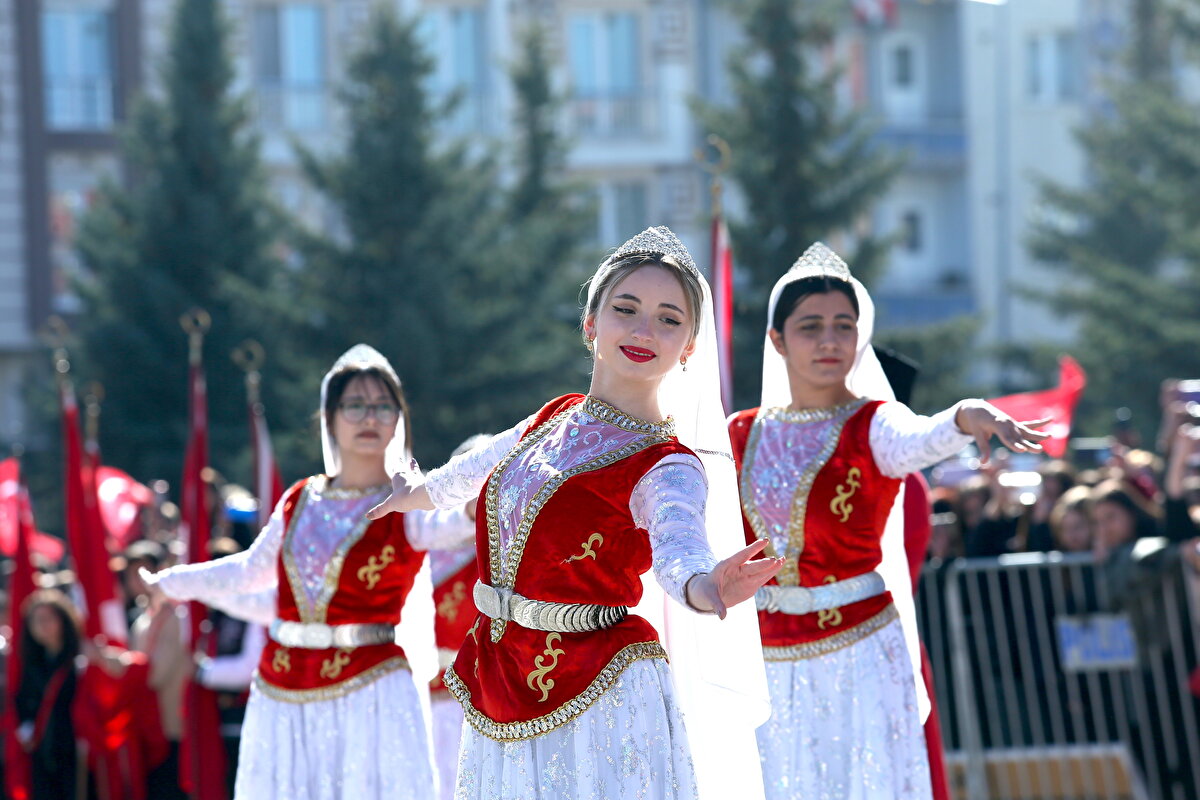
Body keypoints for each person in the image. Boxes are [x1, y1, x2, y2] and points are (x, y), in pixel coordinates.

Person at [368, 226, 780, 800]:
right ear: (591, 324)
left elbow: (679, 542)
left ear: (689, 346)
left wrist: (705, 585)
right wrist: (414, 490)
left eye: (668, 318)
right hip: (500, 667)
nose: (643, 330)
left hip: (601, 689)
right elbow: (471, 471)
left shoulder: (668, 466)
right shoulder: (549, 418)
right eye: (626, 308)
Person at [727, 242, 1049, 799]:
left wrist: (963, 415)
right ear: (777, 340)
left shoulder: (875, 424)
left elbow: (919, 440)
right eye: (810, 327)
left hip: (860, 652)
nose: (829, 340)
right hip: (764, 658)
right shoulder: (738, 432)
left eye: (843, 326)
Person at [143, 345, 474, 800]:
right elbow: (249, 572)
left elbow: (452, 523)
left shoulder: (410, 504)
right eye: (354, 405)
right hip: (283, 688)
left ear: (399, 419)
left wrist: (478, 501)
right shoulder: (300, 500)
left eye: (382, 405)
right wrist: (173, 583)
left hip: (372, 691)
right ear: (329, 417)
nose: (369, 417)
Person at [15, 590, 82, 800]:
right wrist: (26, 729)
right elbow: (23, 701)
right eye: (36, 621)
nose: (42, 626)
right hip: (42, 753)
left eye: (47, 619)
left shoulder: (79, 659)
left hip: (75, 754)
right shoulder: (32, 661)